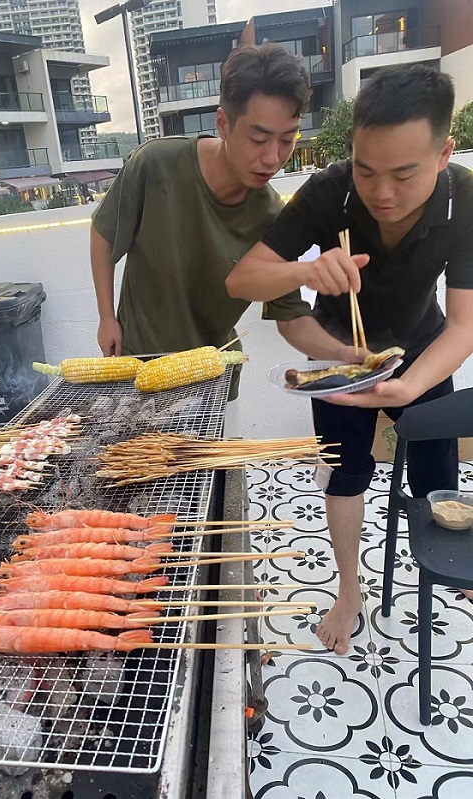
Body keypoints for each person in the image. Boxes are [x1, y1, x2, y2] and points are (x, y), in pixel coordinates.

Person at [226, 64, 473, 654]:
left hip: (422, 349)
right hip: (339, 358)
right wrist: (304, 269)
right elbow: (242, 279)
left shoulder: (464, 198)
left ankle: (453, 570)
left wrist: (409, 386)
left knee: (437, 477)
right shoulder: (331, 190)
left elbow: (465, 323)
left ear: (443, 154)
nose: (382, 193)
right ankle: (348, 590)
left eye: (403, 174)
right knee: (345, 473)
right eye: (367, 170)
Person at [90, 43, 312, 407]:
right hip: (137, 365)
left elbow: (291, 317)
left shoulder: (273, 216)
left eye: (288, 139)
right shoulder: (154, 164)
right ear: (223, 123)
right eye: (258, 139)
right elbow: (103, 234)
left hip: (213, 378)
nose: (273, 158)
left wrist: (349, 356)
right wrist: (106, 317)